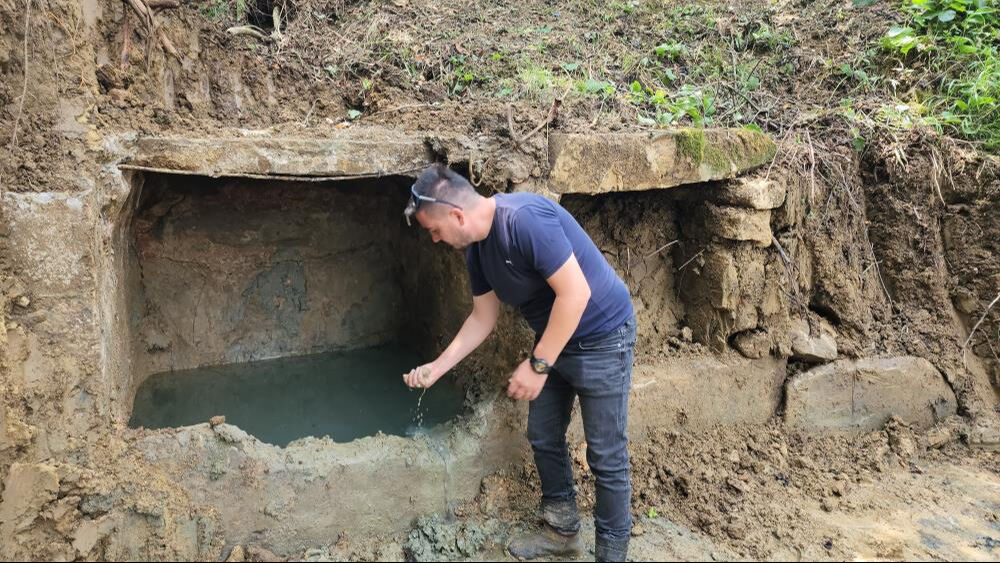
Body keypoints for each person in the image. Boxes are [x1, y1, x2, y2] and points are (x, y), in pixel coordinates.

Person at [401, 164, 636, 562]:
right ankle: (562, 532)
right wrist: (437, 368)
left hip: (601, 335)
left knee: (605, 454)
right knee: (543, 435)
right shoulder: (476, 250)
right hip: (555, 340)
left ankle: (612, 554)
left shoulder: (524, 220)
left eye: (435, 231)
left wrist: (538, 365)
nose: (436, 239)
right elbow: (482, 317)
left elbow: (575, 295)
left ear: (457, 215)